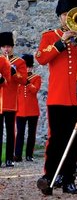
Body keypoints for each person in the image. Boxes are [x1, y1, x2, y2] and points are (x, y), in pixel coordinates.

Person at [35, 0, 77, 195]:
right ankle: (51, 176)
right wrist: (61, 42)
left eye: (70, 13)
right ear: (59, 16)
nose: (67, 18)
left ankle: (70, 178)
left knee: (74, 140)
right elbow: (41, 58)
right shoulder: (49, 36)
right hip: (57, 97)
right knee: (56, 140)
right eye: (64, 14)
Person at [0, 31, 27, 167]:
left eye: (9, 46)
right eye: (4, 46)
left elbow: (23, 80)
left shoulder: (19, 62)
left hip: (10, 102)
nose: (6, 49)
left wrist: (13, 72)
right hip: (0, 101)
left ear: (12, 47)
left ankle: (9, 158)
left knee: (11, 132)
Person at [14, 54, 41, 162]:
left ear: (31, 67)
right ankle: (18, 155)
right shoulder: (18, 79)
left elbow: (35, 90)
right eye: (25, 67)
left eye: (29, 66)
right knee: (20, 133)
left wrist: (27, 82)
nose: (27, 69)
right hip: (20, 110)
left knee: (31, 134)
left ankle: (29, 155)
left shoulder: (36, 78)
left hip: (33, 111)